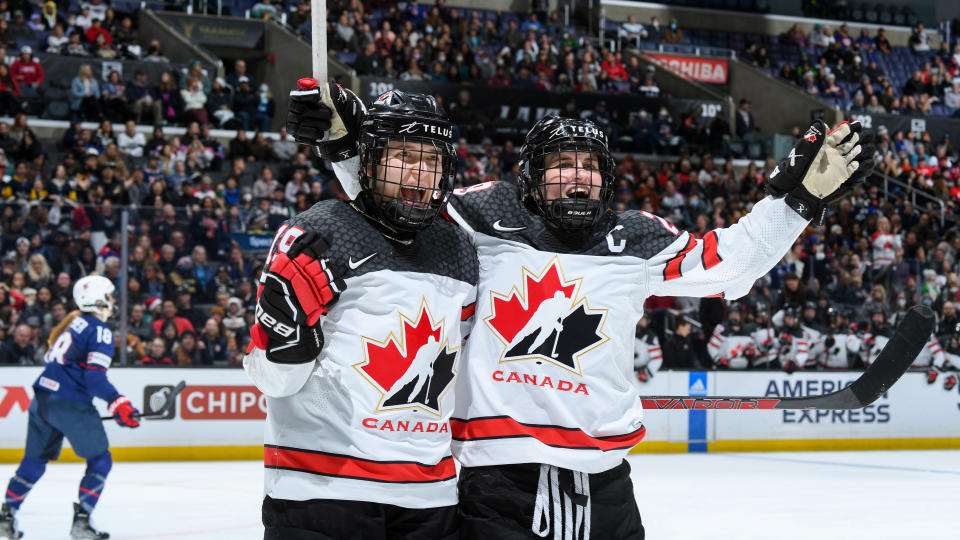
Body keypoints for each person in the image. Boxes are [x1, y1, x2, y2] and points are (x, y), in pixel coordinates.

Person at [293, 99, 872, 536]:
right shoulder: (484, 216)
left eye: (589, 166)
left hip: (605, 486)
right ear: (531, 175)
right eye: (560, 164)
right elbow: (400, 199)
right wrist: (348, 145)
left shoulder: (636, 241)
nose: (577, 175)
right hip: (496, 482)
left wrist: (798, 201)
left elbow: (732, 268)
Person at [244, 81, 478, 539]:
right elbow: (273, 381)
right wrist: (285, 343)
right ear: (368, 162)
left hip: (430, 499)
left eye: (432, 160)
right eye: (406, 156)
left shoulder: (460, 249)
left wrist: (340, 140)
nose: (421, 173)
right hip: (322, 493)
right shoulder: (321, 233)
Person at [0, 276, 140, 540]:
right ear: (99, 299)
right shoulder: (99, 329)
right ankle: (82, 522)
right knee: (100, 460)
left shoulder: (71, 325)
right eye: (109, 296)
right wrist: (118, 401)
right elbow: (94, 378)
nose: (112, 301)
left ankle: (6, 516)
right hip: (70, 402)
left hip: (42, 400)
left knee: (33, 461)